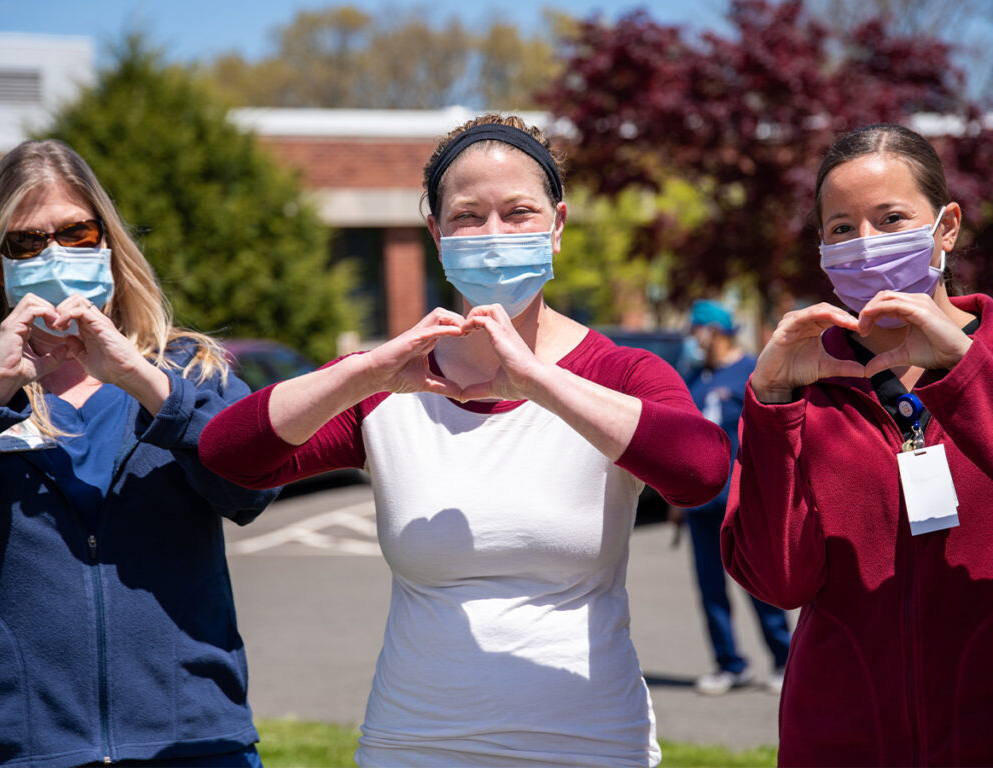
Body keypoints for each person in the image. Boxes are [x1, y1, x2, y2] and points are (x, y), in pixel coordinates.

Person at [200, 114, 731, 767]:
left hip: (590, 743)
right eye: (468, 217)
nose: (494, 235)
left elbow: (701, 470)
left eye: (518, 212)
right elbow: (230, 456)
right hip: (413, 743)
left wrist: (539, 381)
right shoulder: (391, 385)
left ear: (558, 227)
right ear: (436, 234)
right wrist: (363, 371)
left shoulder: (620, 374)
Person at [0, 139, 278, 766]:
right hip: (16, 750)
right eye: (27, 242)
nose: (54, 254)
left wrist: (141, 379)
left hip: (193, 743)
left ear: (109, 243)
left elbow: (251, 490)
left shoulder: (190, 370)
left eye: (77, 233)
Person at [721, 123, 993, 766]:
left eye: (891, 218)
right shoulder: (804, 376)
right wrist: (774, 405)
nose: (866, 246)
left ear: (945, 227)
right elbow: (778, 580)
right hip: (838, 742)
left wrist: (964, 371)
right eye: (841, 229)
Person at [676, 300, 789, 696]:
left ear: (714, 331)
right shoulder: (694, 376)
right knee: (710, 589)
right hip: (700, 504)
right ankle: (729, 664)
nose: (692, 339)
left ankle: (783, 660)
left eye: (696, 330)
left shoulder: (751, 372)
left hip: (742, 503)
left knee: (759, 585)